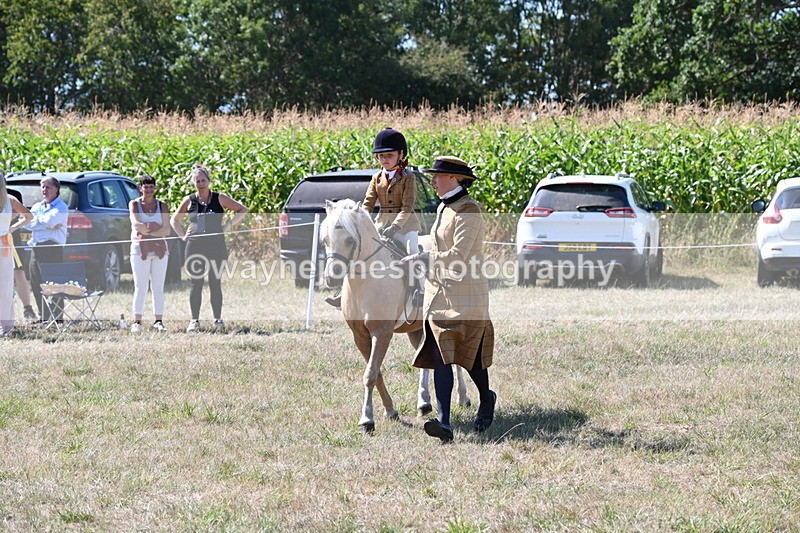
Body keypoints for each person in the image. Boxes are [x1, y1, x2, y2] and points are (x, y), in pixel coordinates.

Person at [402, 156, 496, 442]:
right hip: (439, 293)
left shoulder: (469, 210)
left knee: (472, 359)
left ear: (454, 178)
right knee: (441, 355)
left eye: (437, 176)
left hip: (467, 295)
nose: (432, 181)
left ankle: (486, 397)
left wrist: (424, 258)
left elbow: (459, 255)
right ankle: (445, 424)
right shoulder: (444, 206)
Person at [326, 127, 421, 308]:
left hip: (405, 227)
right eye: (381, 156)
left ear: (401, 154)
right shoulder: (376, 178)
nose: (385, 159)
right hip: (381, 226)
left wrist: (396, 226)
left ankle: (419, 290)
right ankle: (343, 292)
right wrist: (358, 220)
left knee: (413, 251)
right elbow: (368, 204)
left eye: (389, 155)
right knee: (357, 250)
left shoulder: (409, 178)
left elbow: (407, 207)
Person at [170, 164, 248, 332]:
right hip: (194, 246)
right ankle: (194, 321)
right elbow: (174, 220)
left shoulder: (219, 198)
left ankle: (217, 320)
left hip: (216, 246)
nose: (201, 184)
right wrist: (182, 236)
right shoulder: (189, 200)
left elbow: (242, 210)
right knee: (195, 283)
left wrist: (227, 226)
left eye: (203, 180)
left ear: (208, 181)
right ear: (194, 183)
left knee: (215, 282)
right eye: (197, 181)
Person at [129, 175, 171, 333]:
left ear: (155, 188)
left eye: (151, 186)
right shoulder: (134, 204)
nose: (148, 190)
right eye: (145, 187)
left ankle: (158, 321)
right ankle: (137, 321)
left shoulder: (162, 206)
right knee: (140, 287)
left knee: (158, 287)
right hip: (139, 249)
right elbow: (137, 225)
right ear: (140, 188)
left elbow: (167, 230)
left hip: (160, 250)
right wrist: (155, 229)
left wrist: (149, 230)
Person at [26, 176, 69, 324]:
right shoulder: (37, 206)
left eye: (48, 187)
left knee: (53, 285)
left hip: (52, 249)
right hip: (36, 248)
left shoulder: (61, 207)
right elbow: (27, 224)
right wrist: (46, 223)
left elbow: (51, 221)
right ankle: (43, 317)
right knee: (36, 284)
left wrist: (39, 221)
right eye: (42, 187)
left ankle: (57, 318)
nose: (44, 190)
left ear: (56, 189)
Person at [0, 170, 34, 337]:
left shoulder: (10, 200)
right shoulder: (10, 200)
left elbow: (28, 216)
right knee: (5, 287)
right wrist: (12, 227)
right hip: (4, 244)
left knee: (5, 287)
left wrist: (12, 228)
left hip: (4, 246)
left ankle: (6, 325)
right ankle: (6, 325)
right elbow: (28, 216)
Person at [7, 189, 37, 321]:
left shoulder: (12, 195)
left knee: (19, 272)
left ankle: (27, 308)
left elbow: (20, 213)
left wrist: (7, 224)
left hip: (11, 239)